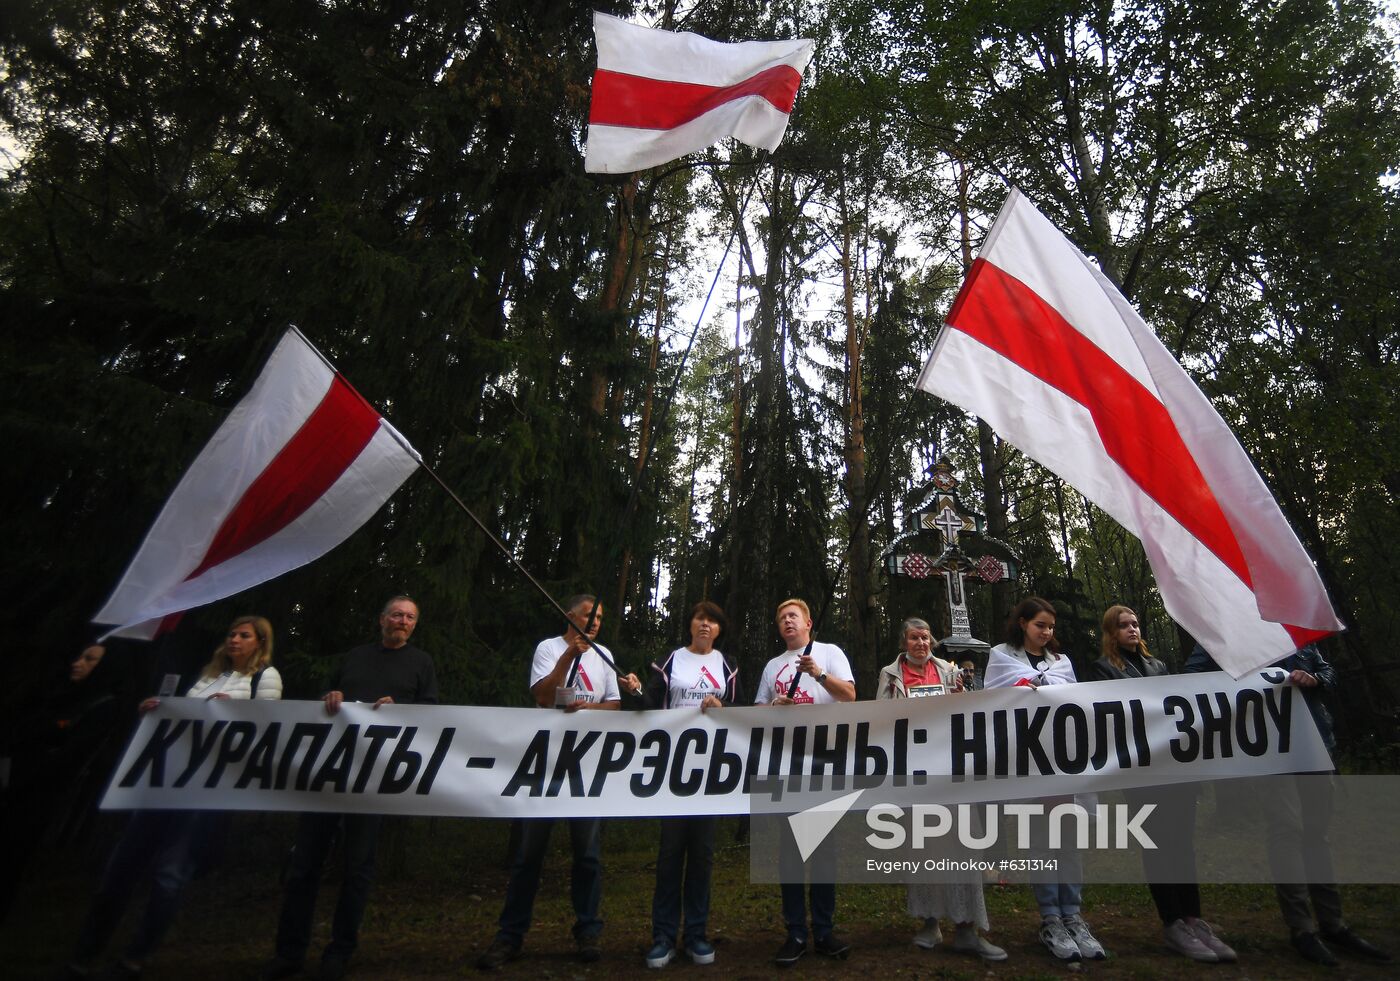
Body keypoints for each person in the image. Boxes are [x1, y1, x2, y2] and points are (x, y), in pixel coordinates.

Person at [66, 616, 281, 980]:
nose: (234, 640)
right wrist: (158, 710)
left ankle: (137, 956)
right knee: (122, 867)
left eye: (244, 635)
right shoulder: (208, 674)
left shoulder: (266, 678)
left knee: (170, 873)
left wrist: (234, 709)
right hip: (164, 780)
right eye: (231, 634)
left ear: (260, 643)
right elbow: (180, 717)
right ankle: (84, 954)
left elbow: (269, 724)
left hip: (207, 790)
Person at [1186, 641, 1390, 967]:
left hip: (1315, 743)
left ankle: (1333, 924)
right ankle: (1301, 930)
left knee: (1316, 834)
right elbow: (1191, 680)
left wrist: (1315, 679)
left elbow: (1328, 672)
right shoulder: (1221, 629)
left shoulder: (1292, 626)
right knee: (1287, 829)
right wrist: (1239, 685)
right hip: (1268, 748)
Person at [265, 596, 437, 981]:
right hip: (329, 775)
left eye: (410, 617)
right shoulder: (355, 657)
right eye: (397, 614)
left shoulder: (422, 663)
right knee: (304, 865)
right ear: (381, 619)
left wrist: (401, 708)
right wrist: (331, 698)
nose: (403, 621)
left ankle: (340, 952)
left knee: (357, 868)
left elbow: (432, 713)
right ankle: (289, 952)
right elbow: (323, 700)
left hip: (375, 780)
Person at [477, 595, 642, 970]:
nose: (595, 621)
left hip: (587, 768)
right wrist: (570, 655)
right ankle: (511, 936)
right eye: (588, 615)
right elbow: (541, 694)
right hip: (546, 765)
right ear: (570, 616)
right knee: (529, 855)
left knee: (587, 855)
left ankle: (588, 930)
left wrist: (588, 709)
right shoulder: (548, 648)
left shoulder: (604, 654)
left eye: (600, 616)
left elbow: (614, 705)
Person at [1088, 605, 1236, 963]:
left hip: (1175, 769)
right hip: (1141, 774)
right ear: (1111, 632)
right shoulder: (1103, 669)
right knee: (1158, 845)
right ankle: (1172, 923)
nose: (1132, 630)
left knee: (1182, 844)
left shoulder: (1159, 666)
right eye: (1124, 625)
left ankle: (1193, 918)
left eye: (1136, 624)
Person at [878, 618, 1007, 962]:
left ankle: (967, 928)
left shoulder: (949, 672)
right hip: (915, 770)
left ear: (932, 641)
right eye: (913, 637)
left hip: (952, 768)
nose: (920, 642)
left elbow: (969, 710)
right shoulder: (890, 675)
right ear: (903, 641)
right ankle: (930, 923)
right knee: (923, 845)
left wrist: (960, 695)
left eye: (925, 637)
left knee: (965, 843)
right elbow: (877, 717)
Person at [984, 597, 1105, 963]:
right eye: (1040, 625)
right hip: (1029, 760)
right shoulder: (1001, 655)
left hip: (1062, 760)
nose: (1047, 632)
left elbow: (1074, 701)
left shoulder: (1061, 662)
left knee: (1068, 838)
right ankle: (1050, 917)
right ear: (1023, 623)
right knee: (1041, 839)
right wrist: (1028, 687)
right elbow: (996, 698)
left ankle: (1073, 914)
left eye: (1051, 627)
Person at [754, 598, 856, 967]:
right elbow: (758, 711)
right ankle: (796, 931)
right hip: (787, 765)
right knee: (791, 851)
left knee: (824, 850)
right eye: (781, 618)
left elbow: (850, 696)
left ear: (808, 622)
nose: (787, 622)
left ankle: (825, 931)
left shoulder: (829, 653)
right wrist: (774, 708)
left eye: (792, 616)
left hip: (825, 762)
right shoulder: (772, 666)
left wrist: (819, 674)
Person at [641, 600, 741, 969]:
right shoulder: (671, 661)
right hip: (671, 771)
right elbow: (650, 704)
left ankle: (696, 934)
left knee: (702, 856)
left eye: (712, 620)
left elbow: (740, 711)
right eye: (699, 618)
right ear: (690, 624)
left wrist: (723, 705)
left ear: (719, 629)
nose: (705, 624)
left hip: (711, 774)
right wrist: (637, 690)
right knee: (670, 856)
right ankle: (663, 937)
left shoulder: (727, 665)